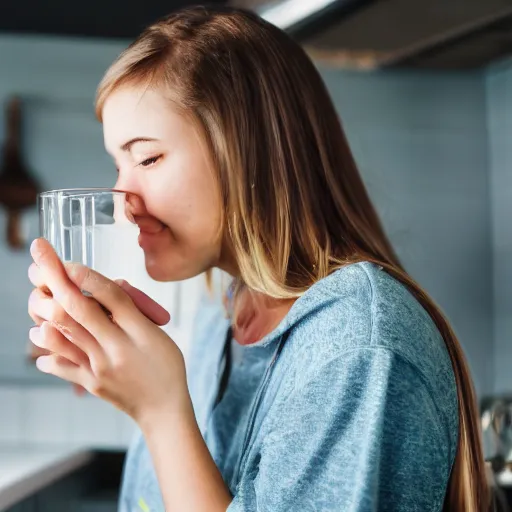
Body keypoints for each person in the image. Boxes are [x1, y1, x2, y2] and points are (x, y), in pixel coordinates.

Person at [27, 6, 490, 511]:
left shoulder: (357, 349)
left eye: (148, 158)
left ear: (246, 150)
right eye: (118, 164)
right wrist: (122, 376)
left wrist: (160, 410)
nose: (123, 198)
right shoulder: (222, 320)